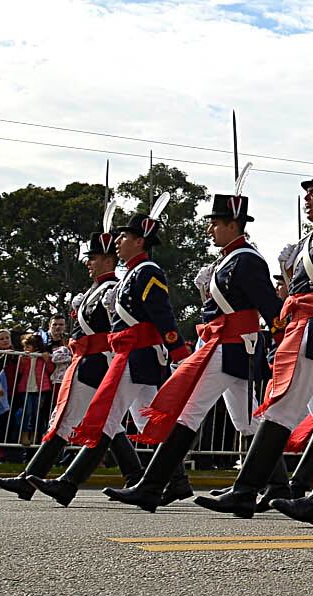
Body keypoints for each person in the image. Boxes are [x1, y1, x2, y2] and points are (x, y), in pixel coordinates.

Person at [198, 153, 313, 517]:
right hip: (306, 330)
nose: (307, 197)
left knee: (281, 407)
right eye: (307, 192)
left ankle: (245, 490)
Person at [107, 181, 282, 511]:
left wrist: (278, 348)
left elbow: (270, 310)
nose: (210, 228)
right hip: (222, 345)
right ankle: (279, 488)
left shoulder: (247, 261)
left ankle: (151, 485)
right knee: (247, 423)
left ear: (233, 225)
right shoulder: (225, 261)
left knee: (189, 412)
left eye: (216, 223)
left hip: (233, 347)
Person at [31, 202, 180, 505]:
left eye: (124, 237)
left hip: (140, 354)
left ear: (140, 241)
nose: (119, 242)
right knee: (147, 423)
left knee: (109, 419)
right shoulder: (133, 273)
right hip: (131, 354)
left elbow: (161, 313)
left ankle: (69, 483)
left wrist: (177, 347)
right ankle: (176, 481)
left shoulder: (148, 271)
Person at [0, 222, 124, 499]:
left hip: (99, 362)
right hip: (86, 360)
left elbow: (118, 329)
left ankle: (31, 479)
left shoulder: (114, 290)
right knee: (107, 424)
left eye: (94, 257)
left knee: (69, 420)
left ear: (109, 259)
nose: (89, 263)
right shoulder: (93, 291)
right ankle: (145, 478)